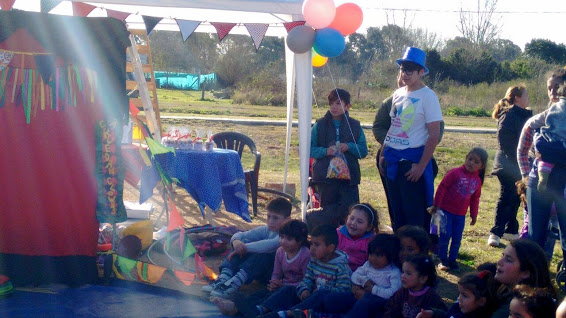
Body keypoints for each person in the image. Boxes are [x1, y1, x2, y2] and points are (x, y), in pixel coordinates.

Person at [379, 46, 442, 233]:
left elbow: (434, 134)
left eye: (409, 70)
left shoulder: (428, 96)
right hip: (392, 159)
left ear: (421, 72)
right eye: (402, 69)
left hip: (412, 162)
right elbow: (395, 125)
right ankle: (399, 252)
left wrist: (421, 166)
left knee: (413, 213)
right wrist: (383, 153)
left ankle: (416, 254)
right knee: (396, 210)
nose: (404, 74)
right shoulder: (398, 94)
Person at [211, 220, 311, 317]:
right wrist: (273, 283)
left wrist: (283, 284)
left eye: (289, 239)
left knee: (282, 294)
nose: (283, 241)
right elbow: (276, 273)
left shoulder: (305, 254)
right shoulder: (280, 251)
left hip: (296, 290)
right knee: (262, 294)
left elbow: (307, 280)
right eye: (282, 237)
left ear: (300, 241)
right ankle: (237, 307)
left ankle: (258, 310)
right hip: (281, 285)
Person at [517, 69, 566, 259]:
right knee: (535, 234)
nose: (552, 92)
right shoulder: (541, 119)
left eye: (557, 87)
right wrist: (525, 175)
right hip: (538, 181)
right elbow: (522, 148)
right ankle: (533, 275)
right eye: (549, 88)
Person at [202, 197, 292, 298]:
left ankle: (233, 284)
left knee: (263, 253)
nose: (270, 221)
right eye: (268, 216)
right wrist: (236, 242)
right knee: (242, 243)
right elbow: (241, 235)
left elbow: (270, 245)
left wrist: (242, 247)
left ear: (287, 220)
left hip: (273, 277)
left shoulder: (286, 236)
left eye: (276, 218)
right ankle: (223, 278)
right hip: (258, 271)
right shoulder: (266, 230)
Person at [256, 224, 352, 318]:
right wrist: (304, 289)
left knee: (321, 294)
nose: (312, 248)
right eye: (311, 244)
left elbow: (343, 291)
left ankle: (288, 314)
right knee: (289, 290)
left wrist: (321, 291)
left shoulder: (341, 267)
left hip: (325, 304)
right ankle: (262, 308)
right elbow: (307, 279)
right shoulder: (314, 261)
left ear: (330, 248)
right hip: (310, 298)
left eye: (317, 245)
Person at [310, 88, 368, 226]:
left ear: (348, 106)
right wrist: (325, 151)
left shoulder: (355, 126)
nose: (334, 107)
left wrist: (349, 146)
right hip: (325, 178)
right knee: (327, 212)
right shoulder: (319, 125)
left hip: (349, 179)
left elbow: (363, 151)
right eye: (331, 103)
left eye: (338, 103)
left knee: (350, 210)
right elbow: (309, 150)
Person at [488, 85, 532, 247]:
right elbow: (504, 140)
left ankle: (511, 230)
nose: (528, 98)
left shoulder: (525, 116)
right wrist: (518, 157)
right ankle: (495, 232)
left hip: (519, 164)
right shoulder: (509, 115)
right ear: (517, 98)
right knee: (506, 197)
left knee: (516, 197)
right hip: (506, 164)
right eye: (526, 95)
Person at [431, 147, 488, 271]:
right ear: (466, 158)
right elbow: (442, 187)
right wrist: (437, 205)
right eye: (470, 159)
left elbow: (475, 198)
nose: (471, 163)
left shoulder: (477, 181)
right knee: (445, 235)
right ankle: (442, 259)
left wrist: (474, 214)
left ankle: (453, 259)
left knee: (457, 237)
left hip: (460, 215)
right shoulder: (455, 173)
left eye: (476, 161)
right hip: (446, 211)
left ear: (482, 166)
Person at [321, 233, 402, 318]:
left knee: (364, 303)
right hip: (361, 295)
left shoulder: (394, 272)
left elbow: (392, 293)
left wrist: (372, 289)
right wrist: (364, 281)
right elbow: (355, 275)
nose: (373, 258)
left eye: (378, 255)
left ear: (390, 256)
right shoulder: (368, 265)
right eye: (371, 254)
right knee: (332, 299)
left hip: (379, 304)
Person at [490, 239, 555, 318]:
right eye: (502, 255)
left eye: (509, 260)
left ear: (525, 273)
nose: (499, 262)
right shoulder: (499, 289)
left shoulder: (522, 308)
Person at [417, 271, 497, 318]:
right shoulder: (459, 308)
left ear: (481, 301)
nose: (459, 299)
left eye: (465, 296)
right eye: (460, 294)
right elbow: (448, 316)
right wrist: (433, 313)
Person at [337, 203, 378, 272]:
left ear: (369, 227)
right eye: (351, 218)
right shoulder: (338, 234)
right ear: (347, 219)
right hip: (337, 269)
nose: (353, 223)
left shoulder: (372, 241)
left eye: (359, 222)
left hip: (361, 273)